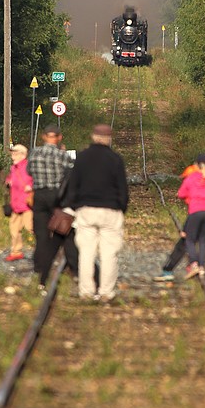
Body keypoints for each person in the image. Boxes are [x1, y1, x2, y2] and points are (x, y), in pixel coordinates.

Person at [66, 123, 129, 301]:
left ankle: (86, 291)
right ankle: (106, 292)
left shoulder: (82, 157)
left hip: (86, 209)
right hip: (110, 210)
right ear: (109, 139)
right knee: (109, 253)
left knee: (86, 252)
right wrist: (121, 207)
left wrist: (75, 206)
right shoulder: (115, 159)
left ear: (93, 137)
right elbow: (123, 189)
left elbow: (73, 185)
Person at [29, 124, 77, 286]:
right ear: (59, 137)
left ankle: (39, 267)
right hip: (57, 196)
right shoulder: (63, 156)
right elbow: (70, 175)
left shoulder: (34, 153)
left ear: (43, 137)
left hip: (39, 195)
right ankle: (73, 266)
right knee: (63, 231)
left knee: (41, 234)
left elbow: (29, 171)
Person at [177, 152, 205, 278]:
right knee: (203, 240)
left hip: (195, 211)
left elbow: (181, 194)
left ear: (196, 164)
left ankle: (194, 264)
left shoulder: (192, 177)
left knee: (189, 239)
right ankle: (201, 268)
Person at [4, 144, 33, 262]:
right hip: (15, 204)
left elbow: (36, 180)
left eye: (15, 154)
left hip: (27, 204)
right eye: (12, 154)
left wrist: (30, 186)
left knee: (31, 228)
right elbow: (9, 179)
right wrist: (8, 182)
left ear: (23, 155)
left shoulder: (29, 167)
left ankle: (44, 250)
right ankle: (16, 252)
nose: (12, 156)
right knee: (14, 229)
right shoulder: (13, 168)